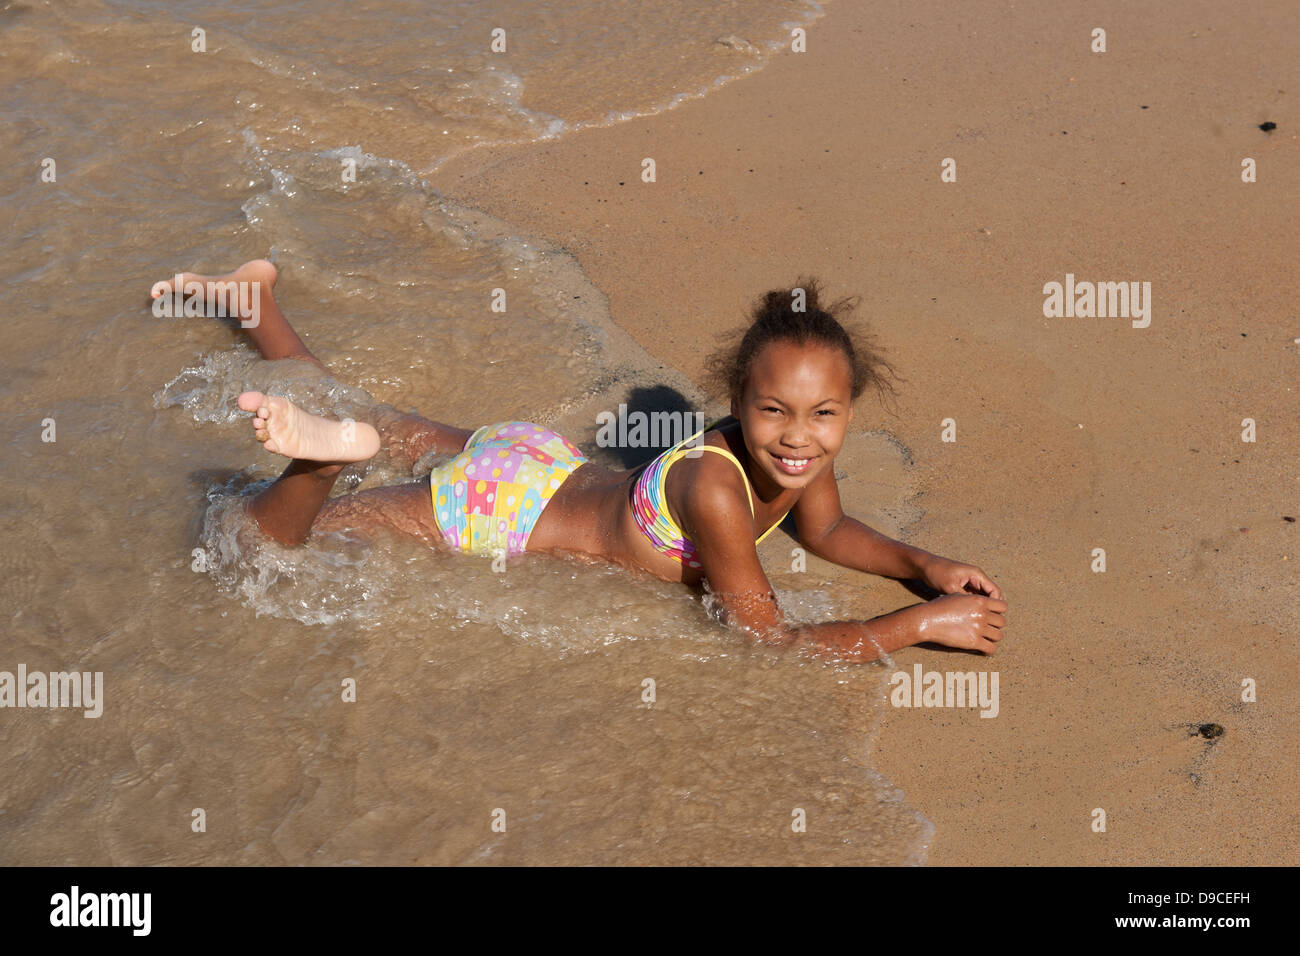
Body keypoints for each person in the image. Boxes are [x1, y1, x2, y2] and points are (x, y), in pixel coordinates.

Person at [152, 260, 1007, 662]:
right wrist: (919, 623)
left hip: (537, 458)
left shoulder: (795, 456)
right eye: (774, 411)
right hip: (505, 509)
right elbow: (769, 641)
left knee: (364, 415)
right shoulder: (717, 486)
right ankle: (316, 468)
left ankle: (254, 303)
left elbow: (829, 533)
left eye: (823, 416)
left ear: (846, 411)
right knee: (247, 553)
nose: (798, 435)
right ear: (737, 402)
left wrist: (924, 564)